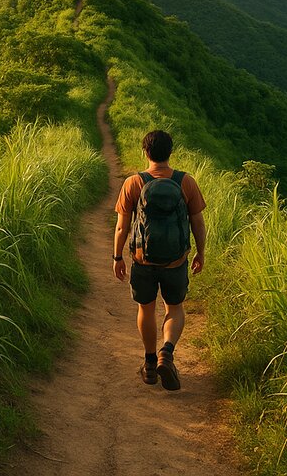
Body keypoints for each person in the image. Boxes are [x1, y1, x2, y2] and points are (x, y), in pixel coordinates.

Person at [112, 129, 206, 390]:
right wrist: (200, 252)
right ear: (170, 152)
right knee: (174, 308)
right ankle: (167, 352)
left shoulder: (133, 183)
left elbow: (121, 227)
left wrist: (117, 256)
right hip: (175, 261)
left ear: (146, 152)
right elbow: (197, 223)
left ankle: (151, 363)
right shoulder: (185, 182)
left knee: (146, 309)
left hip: (143, 260)